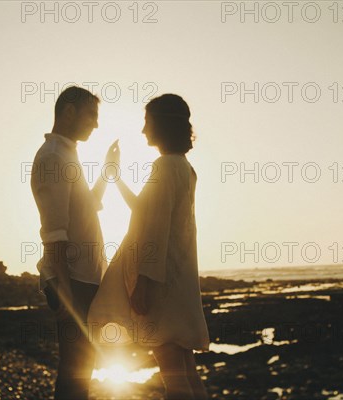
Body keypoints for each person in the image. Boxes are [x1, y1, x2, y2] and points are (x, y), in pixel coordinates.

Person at [88, 94, 210, 400]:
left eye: (147, 121)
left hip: (161, 285)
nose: (143, 130)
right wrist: (115, 179)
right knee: (185, 371)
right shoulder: (182, 167)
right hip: (177, 281)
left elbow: (154, 231)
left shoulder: (165, 167)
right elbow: (146, 212)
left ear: (162, 124)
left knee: (175, 378)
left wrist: (143, 283)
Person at [30, 86, 118, 400]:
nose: (96, 124)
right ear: (69, 112)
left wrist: (107, 173)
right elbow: (54, 232)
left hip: (83, 279)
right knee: (74, 371)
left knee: (81, 369)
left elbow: (85, 208)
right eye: (91, 115)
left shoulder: (66, 153)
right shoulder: (54, 156)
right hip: (74, 280)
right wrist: (65, 292)